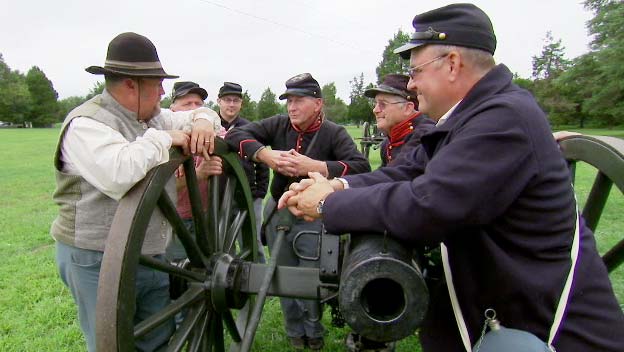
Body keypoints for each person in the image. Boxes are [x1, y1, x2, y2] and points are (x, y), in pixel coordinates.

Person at [280, 4, 624, 352]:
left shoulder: (503, 117)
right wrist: (338, 184)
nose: (411, 84)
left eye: (415, 71)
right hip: (495, 312)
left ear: (453, 64)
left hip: (547, 335)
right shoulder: (471, 117)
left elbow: (429, 205)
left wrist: (327, 203)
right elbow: (408, 170)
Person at [50, 32, 220, 352]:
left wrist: (203, 122)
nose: (163, 92)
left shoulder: (150, 116)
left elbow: (202, 114)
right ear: (131, 84)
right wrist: (166, 137)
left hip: (150, 254)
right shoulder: (86, 124)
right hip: (95, 256)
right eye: (157, 84)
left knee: (156, 337)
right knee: (113, 343)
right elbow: (120, 174)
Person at [225, 73, 370, 351]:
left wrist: (314, 166)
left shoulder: (334, 133)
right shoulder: (279, 124)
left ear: (317, 104)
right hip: (278, 207)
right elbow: (235, 134)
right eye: (289, 101)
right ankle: (295, 334)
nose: (291, 107)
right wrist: (266, 156)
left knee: (309, 278)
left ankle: (313, 334)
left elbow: (360, 167)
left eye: (299, 100)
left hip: (313, 215)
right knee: (280, 274)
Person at [166, 81, 224, 263]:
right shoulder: (162, 139)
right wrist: (198, 174)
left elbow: (231, 141)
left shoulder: (216, 134)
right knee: (176, 272)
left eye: (198, 104)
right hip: (174, 219)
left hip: (206, 218)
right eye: (187, 104)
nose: (193, 108)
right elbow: (157, 188)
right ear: (173, 109)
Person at [217, 81, 270, 263]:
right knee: (223, 242)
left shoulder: (250, 128)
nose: (231, 104)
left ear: (241, 104)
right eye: (227, 100)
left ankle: (259, 279)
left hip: (248, 193)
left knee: (252, 240)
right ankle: (230, 281)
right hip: (219, 193)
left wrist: (260, 192)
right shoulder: (211, 127)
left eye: (235, 101)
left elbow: (263, 162)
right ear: (219, 102)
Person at [365, 74, 434, 167]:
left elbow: (397, 174)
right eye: (376, 104)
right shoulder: (387, 143)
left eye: (383, 104)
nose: (375, 110)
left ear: (408, 108)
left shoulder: (425, 136)